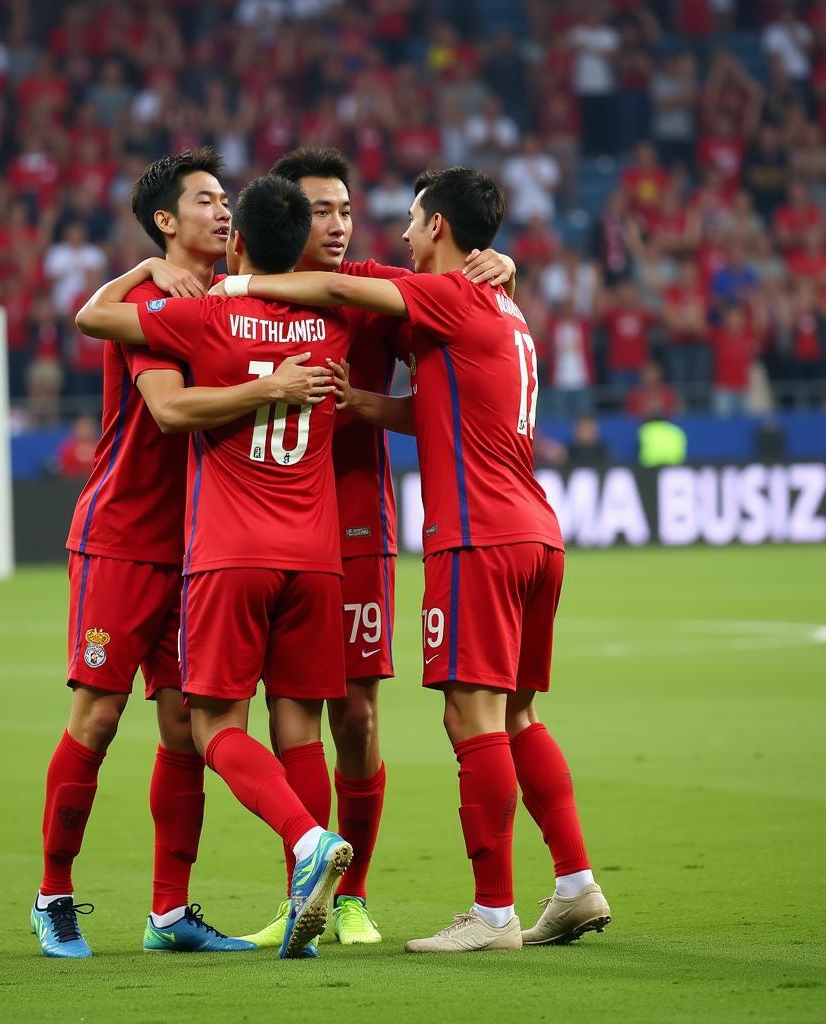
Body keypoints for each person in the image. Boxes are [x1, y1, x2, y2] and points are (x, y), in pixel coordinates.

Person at [219, 166, 611, 952]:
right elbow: (448, 397)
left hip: (478, 537)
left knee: (470, 716)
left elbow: (344, 287)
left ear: (438, 227)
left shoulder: (445, 294)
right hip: (535, 529)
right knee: (519, 713)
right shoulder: (501, 306)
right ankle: (575, 885)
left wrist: (232, 289)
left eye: (407, 217)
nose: (396, 231)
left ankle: (492, 914)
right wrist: (366, 405)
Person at [31, 149, 332, 959]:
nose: (223, 209)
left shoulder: (232, 302)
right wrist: (145, 272)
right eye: (206, 200)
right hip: (124, 537)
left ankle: (169, 912)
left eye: (227, 198)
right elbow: (166, 411)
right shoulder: (153, 301)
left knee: (182, 728)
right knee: (96, 717)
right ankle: (53, 895)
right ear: (167, 222)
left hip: (203, 548)